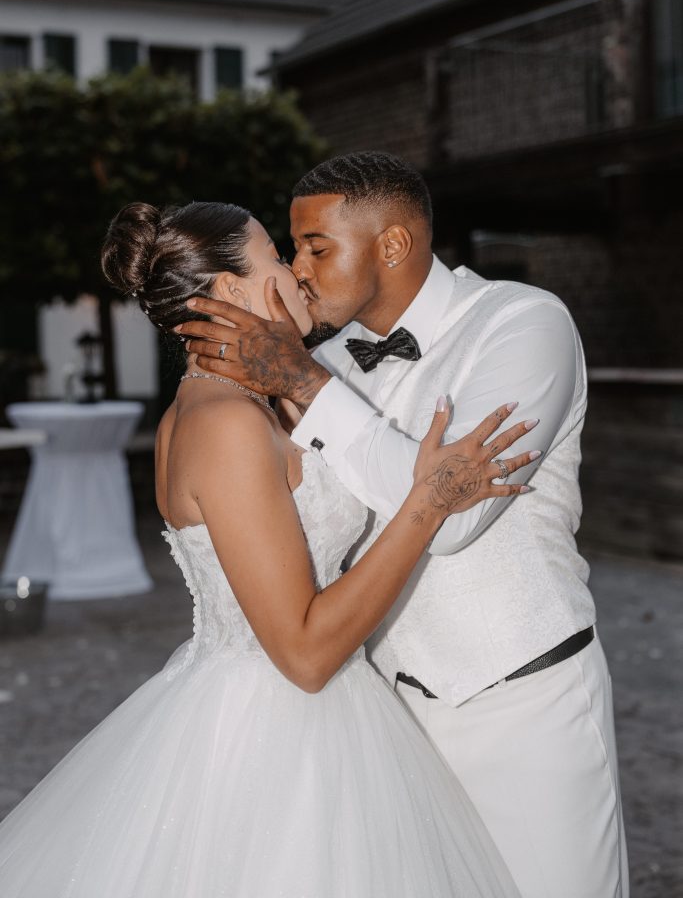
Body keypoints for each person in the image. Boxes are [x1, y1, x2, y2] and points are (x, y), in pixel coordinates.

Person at [0, 199, 537, 897]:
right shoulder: (223, 423)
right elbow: (305, 655)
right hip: (273, 733)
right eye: (277, 257)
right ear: (232, 288)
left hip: (326, 717)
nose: (296, 272)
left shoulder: (255, 404)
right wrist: (429, 502)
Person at [179, 153, 629, 898]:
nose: (298, 272)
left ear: (391, 244)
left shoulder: (523, 323)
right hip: (381, 722)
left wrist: (303, 385)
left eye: (316, 248)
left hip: (522, 702)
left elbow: (456, 520)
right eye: (292, 251)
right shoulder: (319, 360)